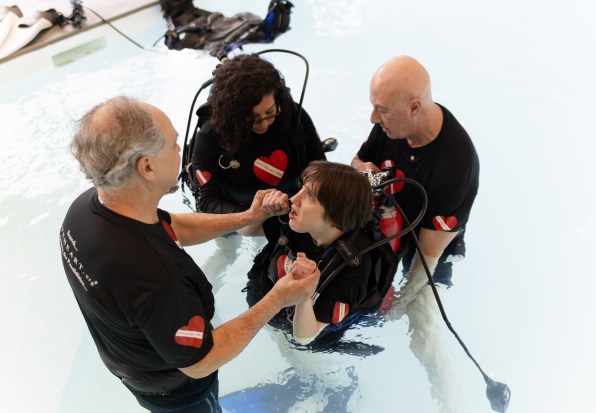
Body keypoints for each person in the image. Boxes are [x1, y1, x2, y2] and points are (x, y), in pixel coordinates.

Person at [59, 96, 320, 412]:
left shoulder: (89, 208)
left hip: (134, 362)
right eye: (173, 145)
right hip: (178, 393)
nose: (180, 152)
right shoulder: (154, 276)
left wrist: (246, 217)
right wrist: (279, 298)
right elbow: (200, 362)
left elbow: (172, 226)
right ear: (147, 166)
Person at [352, 55, 479, 300]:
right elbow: (357, 161)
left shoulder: (456, 166)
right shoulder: (389, 125)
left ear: (414, 107)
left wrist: (401, 303)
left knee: (421, 313)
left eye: (382, 110)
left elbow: (428, 257)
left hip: (431, 242)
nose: (373, 118)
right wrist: (362, 170)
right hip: (389, 225)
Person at [243, 161, 397, 345]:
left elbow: (305, 338)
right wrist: (257, 213)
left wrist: (304, 291)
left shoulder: (354, 272)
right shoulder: (299, 220)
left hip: (315, 338)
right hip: (270, 308)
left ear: (335, 215)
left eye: (309, 196)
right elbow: (246, 231)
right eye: (302, 188)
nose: (293, 199)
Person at [187, 53, 326, 220]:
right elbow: (206, 202)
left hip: (293, 207)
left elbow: (322, 172)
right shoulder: (211, 135)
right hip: (236, 215)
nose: (263, 124)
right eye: (251, 118)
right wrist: (252, 216)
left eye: (269, 112)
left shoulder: (293, 116)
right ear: (233, 114)